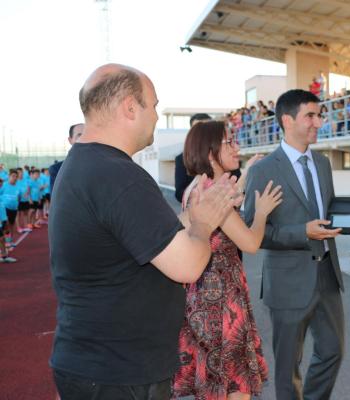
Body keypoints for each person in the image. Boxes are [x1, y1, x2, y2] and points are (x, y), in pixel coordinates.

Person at [49, 63, 240, 400]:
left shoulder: (85, 164)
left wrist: (193, 216)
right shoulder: (117, 175)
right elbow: (187, 264)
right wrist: (207, 220)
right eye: (153, 105)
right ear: (129, 107)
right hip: (118, 374)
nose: (155, 115)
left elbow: (142, 242)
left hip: (100, 366)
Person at [244, 89, 344, 400]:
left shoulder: (323, 163)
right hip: (287, 281)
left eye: (319, 115)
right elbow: (254, 231)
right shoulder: (263, 170)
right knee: (288, 368)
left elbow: (327, 210)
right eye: (310, 116)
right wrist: (302, 233)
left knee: (333, 353)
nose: (318, 122)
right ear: (288, 120)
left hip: (327, 275)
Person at [172, 121, 281, 400]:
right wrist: (261, 213)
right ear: (210, 153)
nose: (237, 147)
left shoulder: (196, 187)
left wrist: (243, 178)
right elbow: (251, 243)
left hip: (200, 298)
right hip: (223, 304)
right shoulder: (213, 196)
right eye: (229, 142)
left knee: (213, 384)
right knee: (233, 384)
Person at [175, 113, 212, 202]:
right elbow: (179, 193)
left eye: (208, 128)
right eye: (198, 129)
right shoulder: (182, 159)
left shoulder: (225, 154)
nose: (203, 133)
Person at [49, 124, 84, 195]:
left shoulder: (101, 166)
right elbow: (57, 198)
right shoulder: (57, 169)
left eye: (87, 135)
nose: (84, 138)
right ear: (70, 140)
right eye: (79, 135)